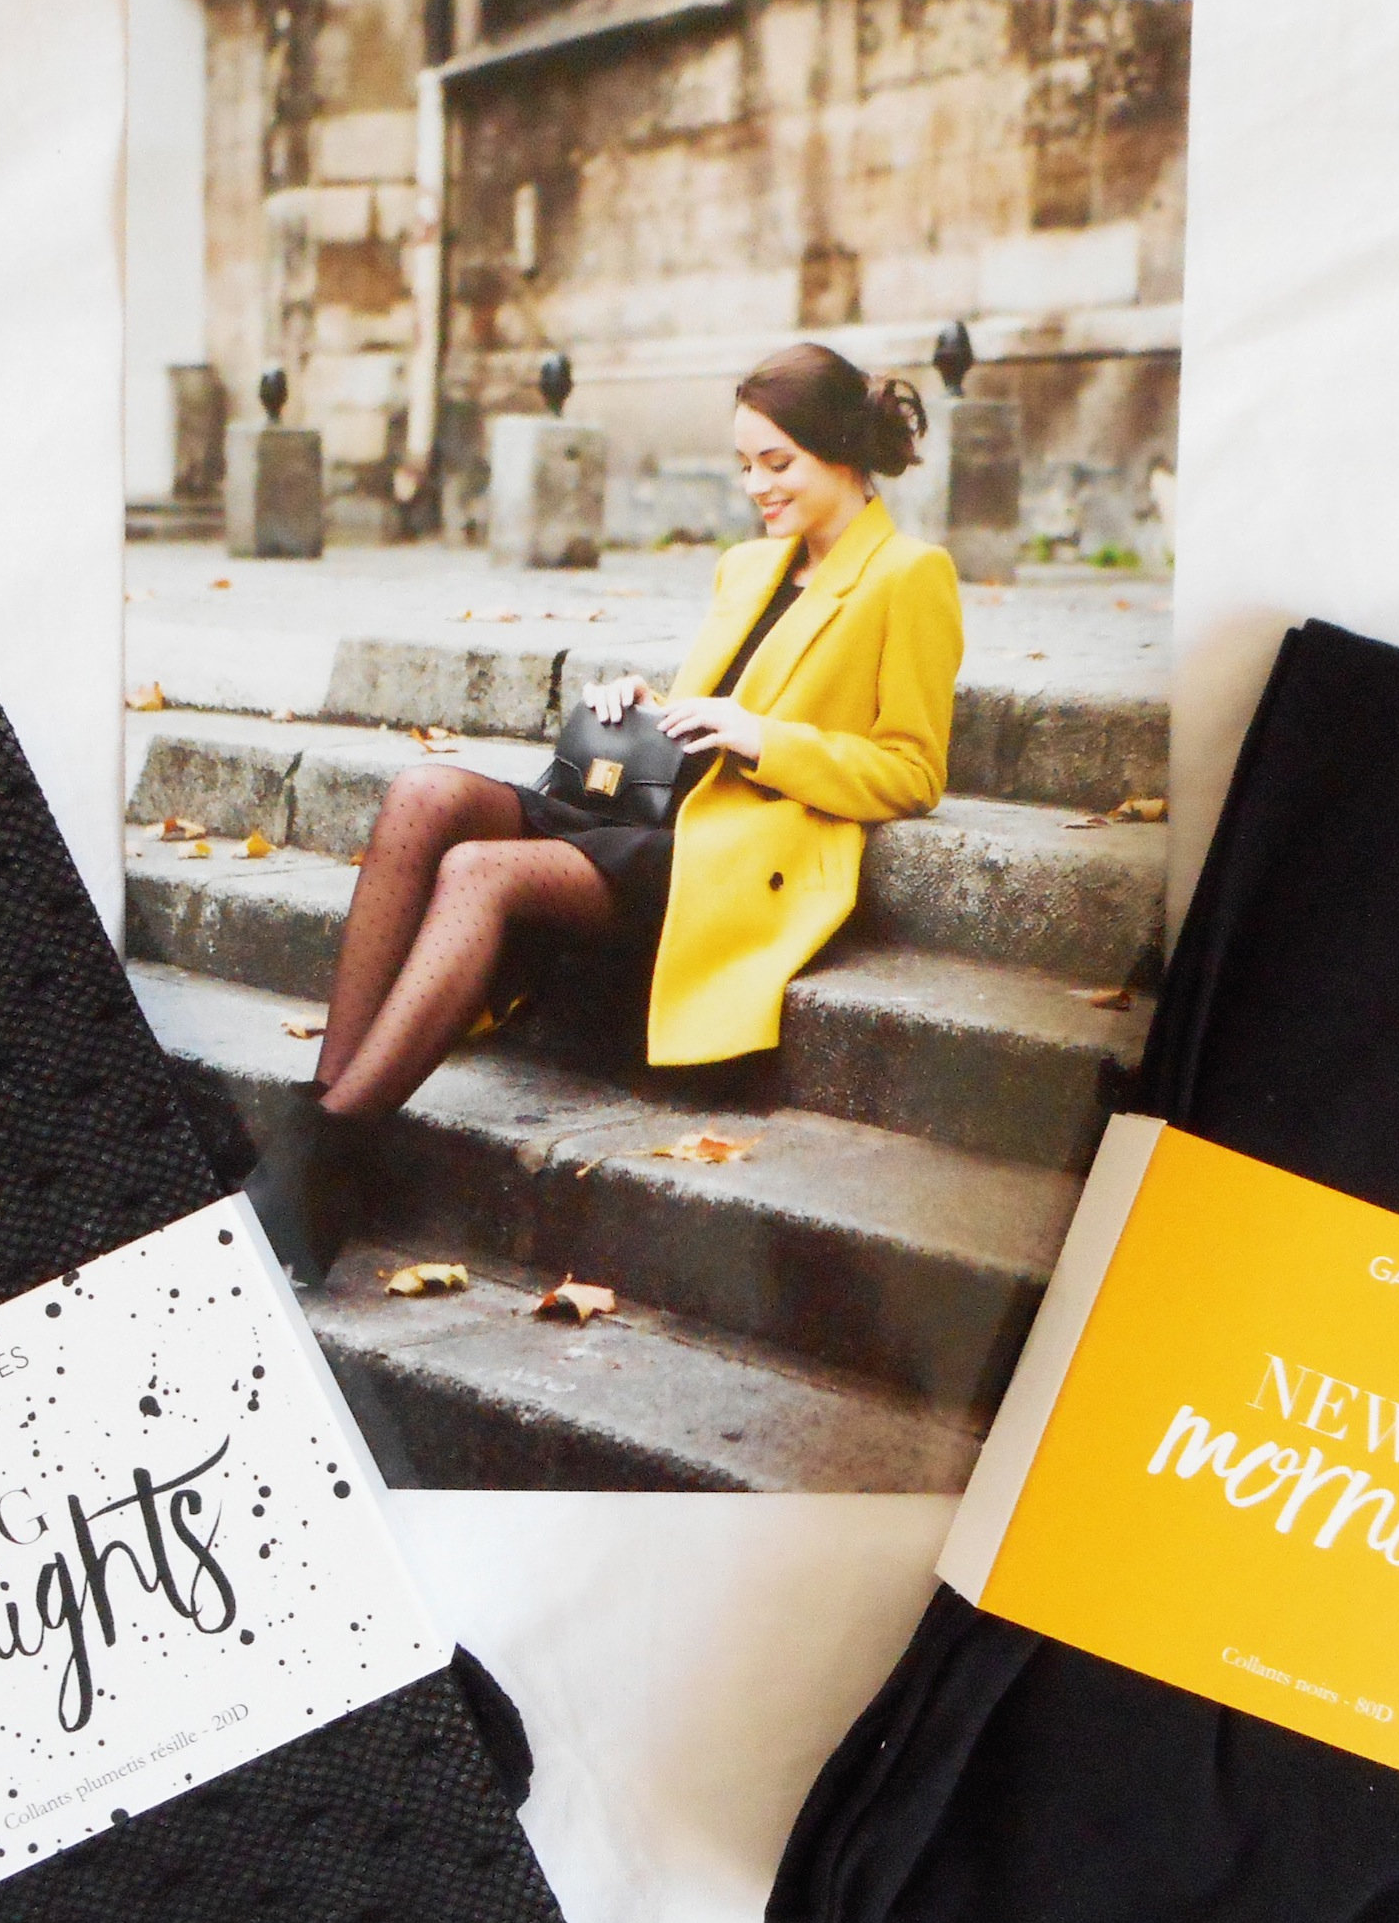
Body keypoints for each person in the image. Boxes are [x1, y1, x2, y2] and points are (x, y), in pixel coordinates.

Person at [247, 341, 967, 1286]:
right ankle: (321, 1125)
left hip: (733, 855)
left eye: (776, 462)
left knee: (478, 870)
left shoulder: (909, 575)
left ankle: (323, 1154)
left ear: (840, 450)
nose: (755, 485)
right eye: (745, 463)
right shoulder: (748, 565)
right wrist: (644, 703)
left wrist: (762, 737)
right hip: (654, 814)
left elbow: (912, 770)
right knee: (425, 793)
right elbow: (720, 699)